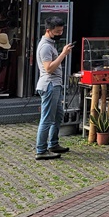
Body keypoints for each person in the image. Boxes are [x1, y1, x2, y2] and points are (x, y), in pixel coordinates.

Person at [35, 15, 74, 160]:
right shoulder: (45, 46)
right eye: (57, 32)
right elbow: (49, 68)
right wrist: (63, 54)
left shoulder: (50, 44)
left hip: (55, 85)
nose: (60, 34)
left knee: (58, 116)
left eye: (61, 31)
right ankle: (41, 150)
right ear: (48, 30)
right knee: (47, 118)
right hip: (49, 85)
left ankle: (53, 143)